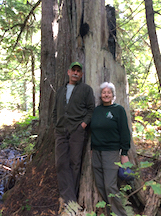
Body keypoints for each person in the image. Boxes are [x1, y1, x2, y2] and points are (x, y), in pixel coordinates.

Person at [53, 61, 95, 214]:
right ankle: (70, 198)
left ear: (81, 74)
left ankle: (70, 200)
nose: (76, 73)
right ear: (68, 72)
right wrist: (55, 125)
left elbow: (91, 109)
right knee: (60, 163)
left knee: (75, 163)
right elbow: (54, 111)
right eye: (73, 70)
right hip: (60, 131)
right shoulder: (60, 91)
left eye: (79, 71)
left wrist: (83, 124)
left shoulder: (86, 89)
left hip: (77, 130)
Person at [90, 82, 130, 216]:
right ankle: (110, 212)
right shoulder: (96, 110)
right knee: (100, 185)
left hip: (111, 152)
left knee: (110, 186)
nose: (106, 94)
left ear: (113, 95)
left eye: (109, 92)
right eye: (104, 92)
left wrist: (124, 153)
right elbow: (93, 130)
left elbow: (125, 132)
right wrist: (91, 148)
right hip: (96, 152)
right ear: (100, 95)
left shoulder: (118, 110)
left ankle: (120, 214)